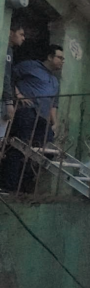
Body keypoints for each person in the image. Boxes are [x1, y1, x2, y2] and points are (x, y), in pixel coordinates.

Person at [0, 45, 63, 192]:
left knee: (47, 152)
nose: (62, 61)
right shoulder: (30, 66)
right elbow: (9, 75)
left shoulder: (54, 81)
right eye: (60, 57)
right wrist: (18, 95)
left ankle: (25, 184)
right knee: (18, 148)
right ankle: (8, 186)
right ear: (49, 57)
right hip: (27, 112)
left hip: (42, 118)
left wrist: (55, 123)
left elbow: (54, 104)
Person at [1, 21, 26, 138]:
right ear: (11, 33)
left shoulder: (8, 49)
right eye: (21, 34)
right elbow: (5, 76)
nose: (23, 38)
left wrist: (16, 92)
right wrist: (8, 101)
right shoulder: (5, 48)